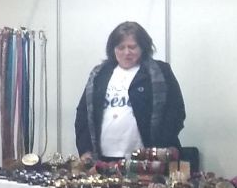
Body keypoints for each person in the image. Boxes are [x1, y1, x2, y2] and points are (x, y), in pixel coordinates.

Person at [74, 21, 186, 161]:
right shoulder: (99, 75)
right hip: (103, 159)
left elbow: (175, 111)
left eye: (132, 47)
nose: (126, 52)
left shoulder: (161, 72)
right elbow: (83, 113)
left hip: (147, 161)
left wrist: (160, 148)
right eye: (121, 47)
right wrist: (85, 150)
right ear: (113, 49)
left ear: (143, 47)